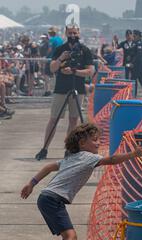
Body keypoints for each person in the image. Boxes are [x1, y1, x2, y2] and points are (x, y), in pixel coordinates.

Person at [21, 123, 142, 240]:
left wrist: (31, 183)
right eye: (95, 140)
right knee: (71, 236)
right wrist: (132, 154)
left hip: (46, 197)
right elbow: (112, 159)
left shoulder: (71, 158)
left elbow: (48, 167)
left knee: (66, 238)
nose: (99, 143)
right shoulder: (89, 157)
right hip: (53, 199)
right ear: (82, 143)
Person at [35, 24, 95, 161]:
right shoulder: (60, 49)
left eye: (75, 33)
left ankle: (69, 150)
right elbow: (52, 68)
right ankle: (44, 148)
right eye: (70, 33)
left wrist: (75, 71)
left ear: (79, 33)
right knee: (54, 118)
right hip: (61, 88)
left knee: (74, 119)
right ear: (66, 33)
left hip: (78, 88)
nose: (72, 36)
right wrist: (61, 58)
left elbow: (90, 71)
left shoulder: (84, 50)